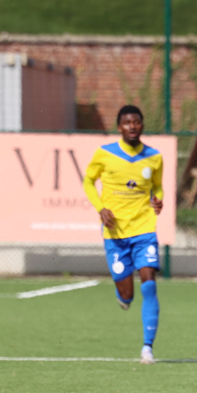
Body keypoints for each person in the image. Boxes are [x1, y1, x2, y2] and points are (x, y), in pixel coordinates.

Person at [84, 105, 163, 365]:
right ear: (119, 127)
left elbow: (158, 186)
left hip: (144, 228)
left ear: (142, 125)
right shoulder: (105, 154)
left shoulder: (154, 157)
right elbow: (88, 180)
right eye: (127, 122)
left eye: (137, 122)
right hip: (115, 232)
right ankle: (123, 296)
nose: (132, 126)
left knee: (149, 283)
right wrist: (100, 208)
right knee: (127, 291)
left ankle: (147, 348)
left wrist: (158, 200)